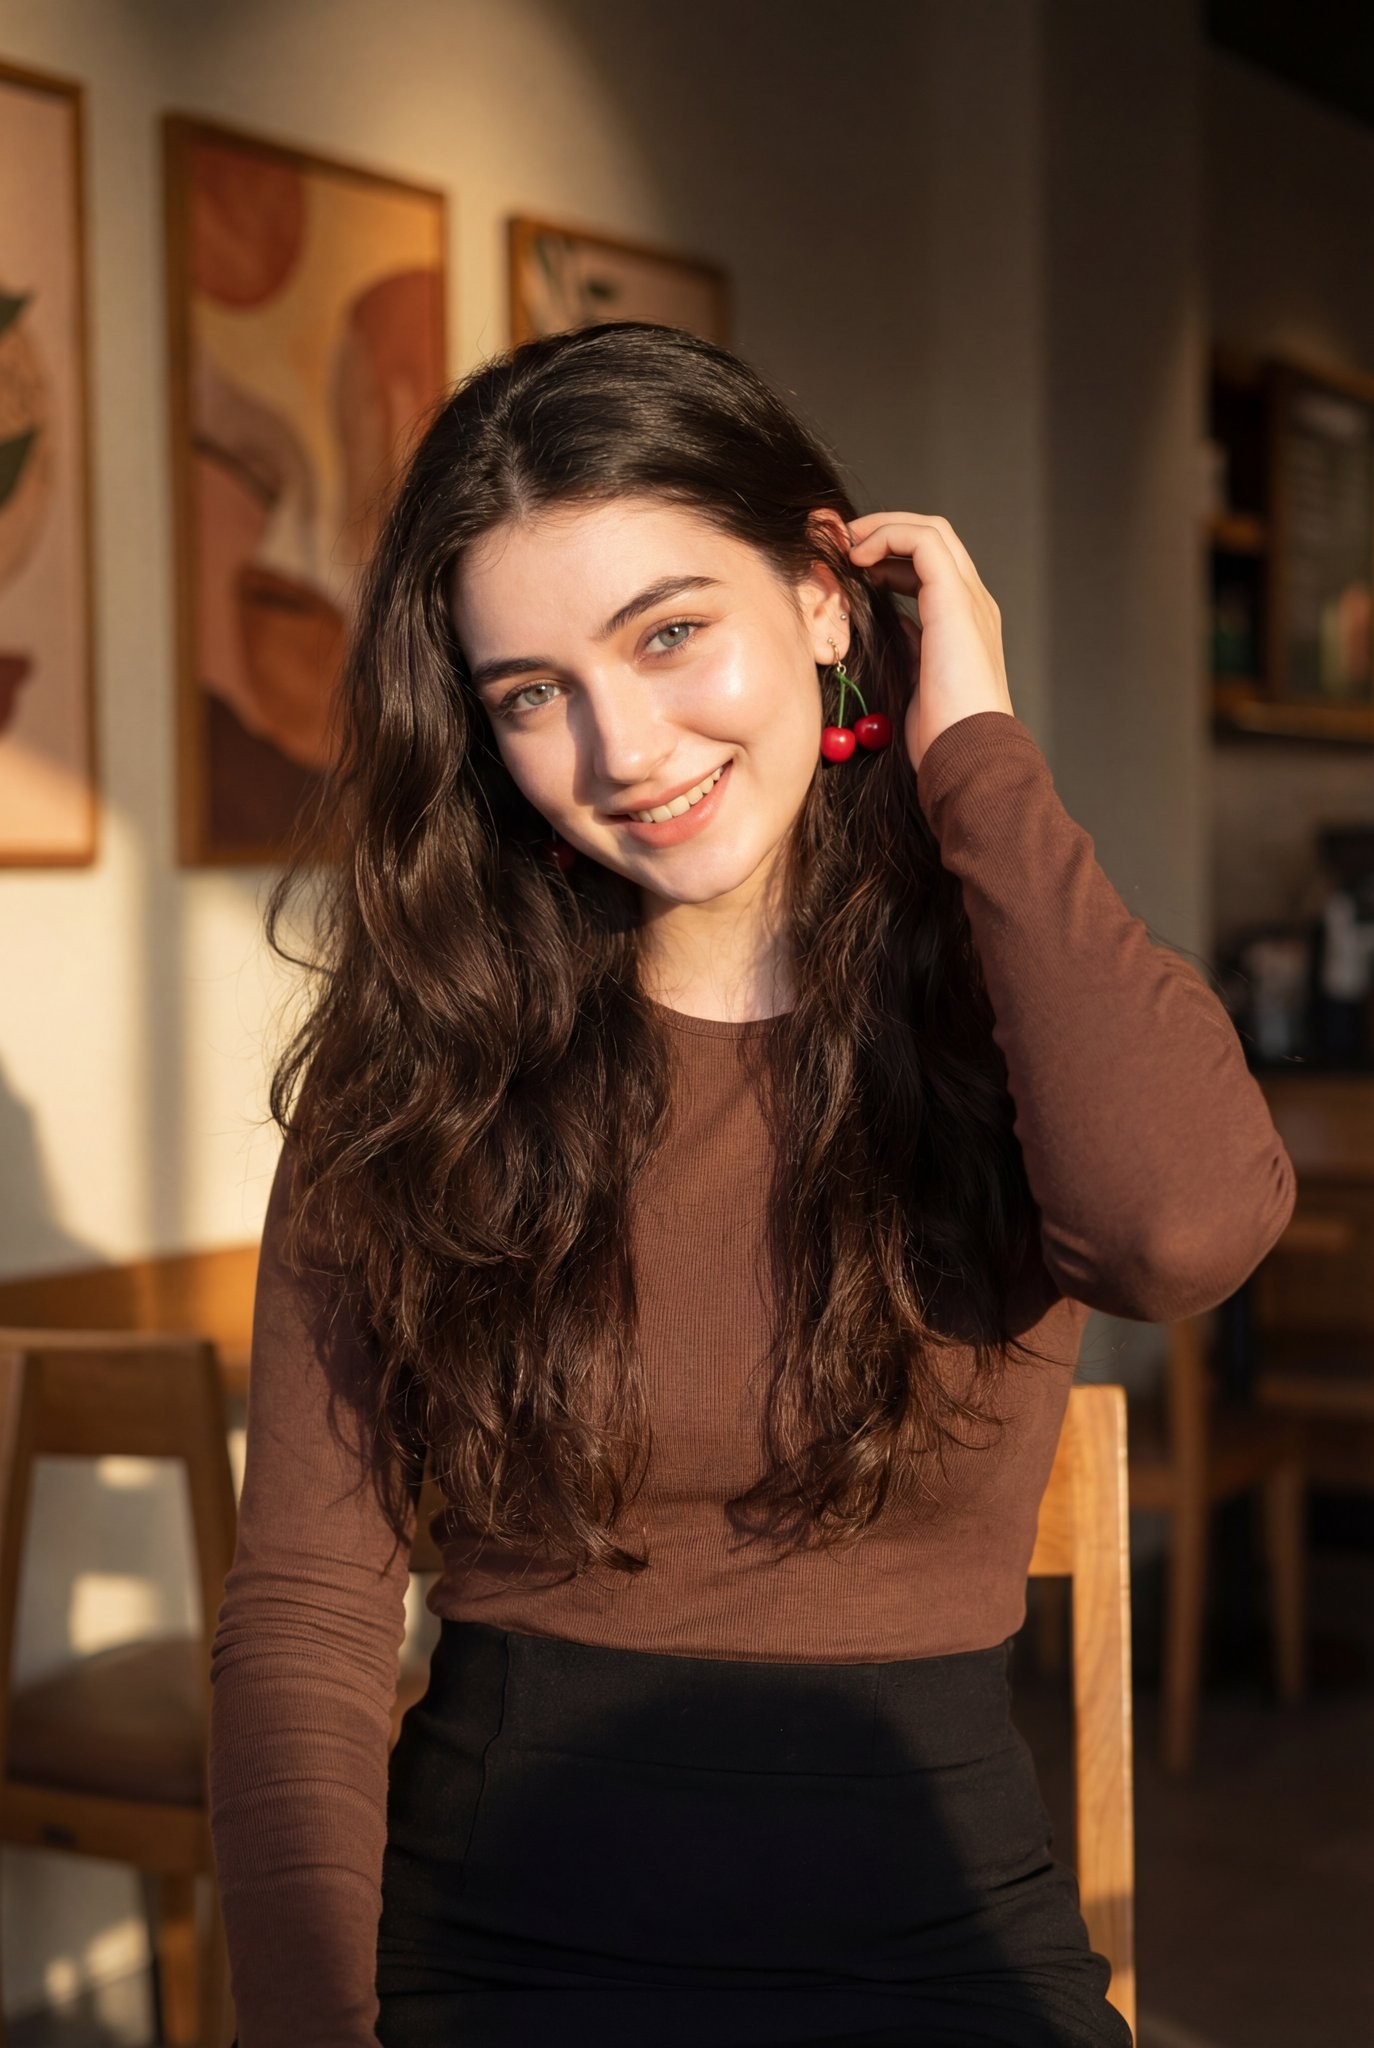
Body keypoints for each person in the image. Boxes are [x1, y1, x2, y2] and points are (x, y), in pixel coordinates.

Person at [208, 320, 1296, 2048]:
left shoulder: (1005, 1000)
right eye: (530, 695)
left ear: (819, 595)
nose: (624, 747)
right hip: (500, 1947)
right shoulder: (419, 1065)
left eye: (669, 633)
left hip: (931, 1939)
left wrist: (975, 748)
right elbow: (307, 1615)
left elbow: (1176, 1236)